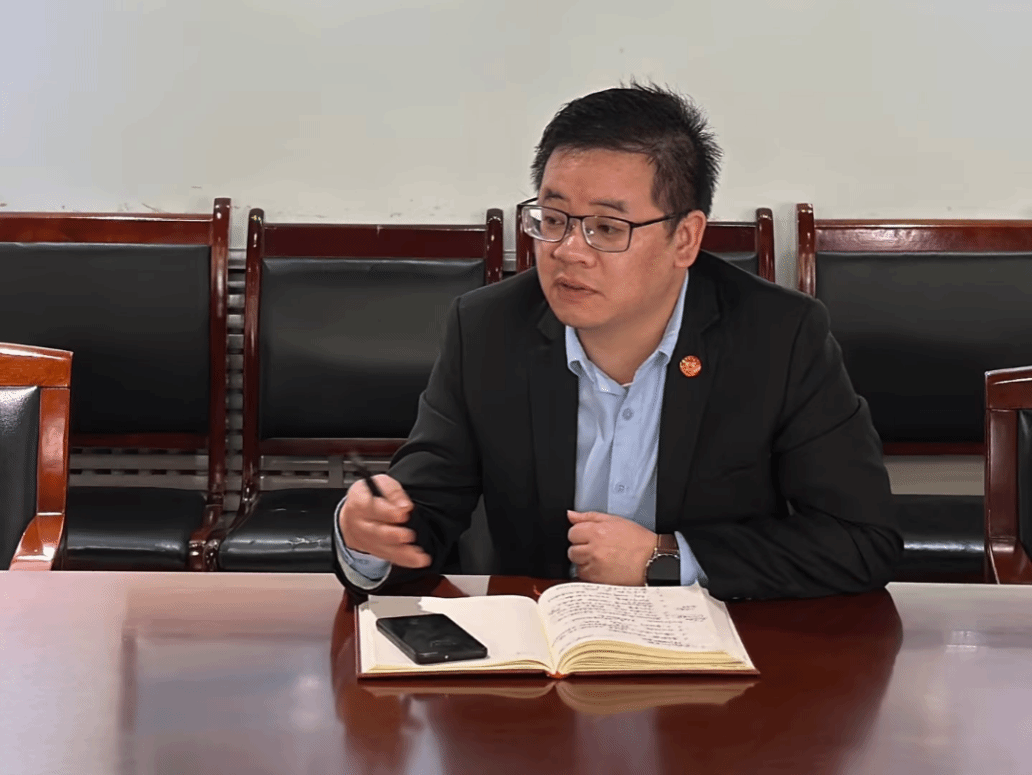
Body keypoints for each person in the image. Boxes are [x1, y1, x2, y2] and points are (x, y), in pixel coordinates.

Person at [332, 83, 901, 600]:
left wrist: (667, 558)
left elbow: (861, 540)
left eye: (606, 228)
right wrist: (368, 535)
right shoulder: (487, 328)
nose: (568, 251)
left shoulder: (779, 336)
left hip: (715, 656)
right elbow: (422, 513)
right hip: (542, 654)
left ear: (685, 238)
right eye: (553, 218)